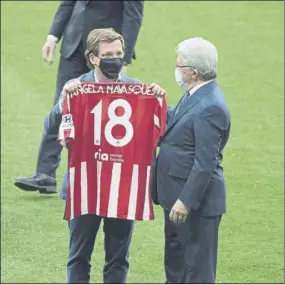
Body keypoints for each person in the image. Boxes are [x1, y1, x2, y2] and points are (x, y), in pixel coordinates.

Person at [42, 28, 165, 283]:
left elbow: (158, 132)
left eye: (119, 53)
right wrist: (63, 100)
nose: (115, 59)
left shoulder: (138, 90)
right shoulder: (76, 89)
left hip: (122, 187)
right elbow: (51, 127)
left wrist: (160, 100)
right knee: (78, 257)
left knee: (118, 259)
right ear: (93, 58)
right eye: (108, 54)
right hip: (85, 186)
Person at [15, 0, 144, 194]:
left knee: (107, 112)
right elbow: (68, 3)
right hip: (73, 45)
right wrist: (53, 36)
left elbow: (134, 14)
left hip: (106, 53)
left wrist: (122, 59)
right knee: (62, 103)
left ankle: (102, 175)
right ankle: (45, 174)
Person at [151, 37, 231, 283]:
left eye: (179, 66)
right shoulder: (196, 94)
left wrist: (185, 202)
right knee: (176, 267)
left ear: (194, 72)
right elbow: (181, 119)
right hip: (175, 197)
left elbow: (205, 162)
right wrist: (160, 102)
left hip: (194, 205)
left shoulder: (211, 107)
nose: (176, 70)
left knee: (197, 272)